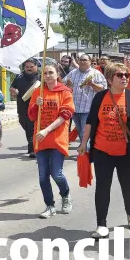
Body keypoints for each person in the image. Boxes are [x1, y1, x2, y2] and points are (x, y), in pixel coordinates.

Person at [78, 63, 130, 239]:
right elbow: (90, 122)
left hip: (127, 152)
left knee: (127, 184)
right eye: (120, 75)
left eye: (126, 75)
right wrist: (83, 143)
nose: (125, 77)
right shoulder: (100, 97)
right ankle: (101, 224)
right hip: (102, 151)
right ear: (110, 79)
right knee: (102, 187)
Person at [28, 62, 75, 218]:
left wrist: (47, 130)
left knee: (57, 174)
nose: (47, 76)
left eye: (50, 72)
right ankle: (50, 206)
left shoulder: (65, 92)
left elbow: (65, 116)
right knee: (43, 177)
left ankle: (66, 195)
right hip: (40, 139)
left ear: (57, 75)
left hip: (56, 138)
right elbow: (32, 116)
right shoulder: (37, 92)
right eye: (45, 73)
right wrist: (36, 106)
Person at [64, 54, 107, 148]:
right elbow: (63, 85)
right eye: (81, 60)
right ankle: (85, 148)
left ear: (90, 62)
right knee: (80, 132)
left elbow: (103, 89)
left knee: (84, 132)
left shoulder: (96, 73)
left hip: (88, 109)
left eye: (85, 60)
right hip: (75, 108)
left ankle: (85, 152)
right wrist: (67, 85)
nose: (82, 61)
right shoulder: (72, 73)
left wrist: (93, 84)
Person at [10, 58, 40, 158]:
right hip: (22, 107)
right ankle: (32, 145)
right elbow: (12, 88)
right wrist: (13, 91)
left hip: (36, 107)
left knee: (32, 128)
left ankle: (33, 149)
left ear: (36, 66)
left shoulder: (41, 77)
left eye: (31, 67)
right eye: (27, 67)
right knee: (26, 126)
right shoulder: (19, 77)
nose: (29, 69)